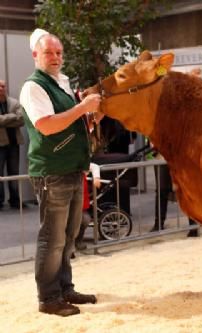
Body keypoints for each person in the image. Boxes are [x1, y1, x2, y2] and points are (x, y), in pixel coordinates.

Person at [19, 28, 102, 316]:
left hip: (70, 168)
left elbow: (68, 125)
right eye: (48, 52)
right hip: (52, 171)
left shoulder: (60, 83)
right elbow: (47, 125)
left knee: (68, 235)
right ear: (35, 55)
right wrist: (82, 108)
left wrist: (90, 120)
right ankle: (48, 298)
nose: (55, 57)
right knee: (52, 239)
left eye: (58, 52)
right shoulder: (34, 86)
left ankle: (65, 288)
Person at [0, 79, 25, 210]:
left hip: (14, 144)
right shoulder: (14, 106)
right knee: (0, 175)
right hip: (0, 145)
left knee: (14, 173)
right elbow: (15, 118)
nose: (1, 88)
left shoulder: (14, 102)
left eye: (3, 86)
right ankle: (0, 201)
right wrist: (12, 117)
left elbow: (21, 120)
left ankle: (15, 201)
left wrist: (4, 120)